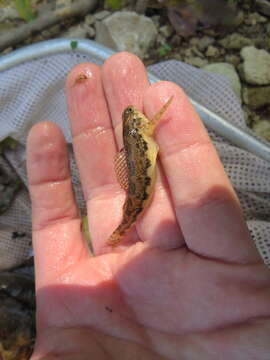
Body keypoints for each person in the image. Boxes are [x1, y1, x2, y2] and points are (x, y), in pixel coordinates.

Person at [27, 52, 270, 360]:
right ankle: (120, 231)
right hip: (138, 192)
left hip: (137, 190)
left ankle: (120, 230)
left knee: (133, 205)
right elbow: (161, 110)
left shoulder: (137, 135)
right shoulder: (144, 129)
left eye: (133, 117)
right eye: (134, 119)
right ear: (139, 127)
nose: (136, 117)